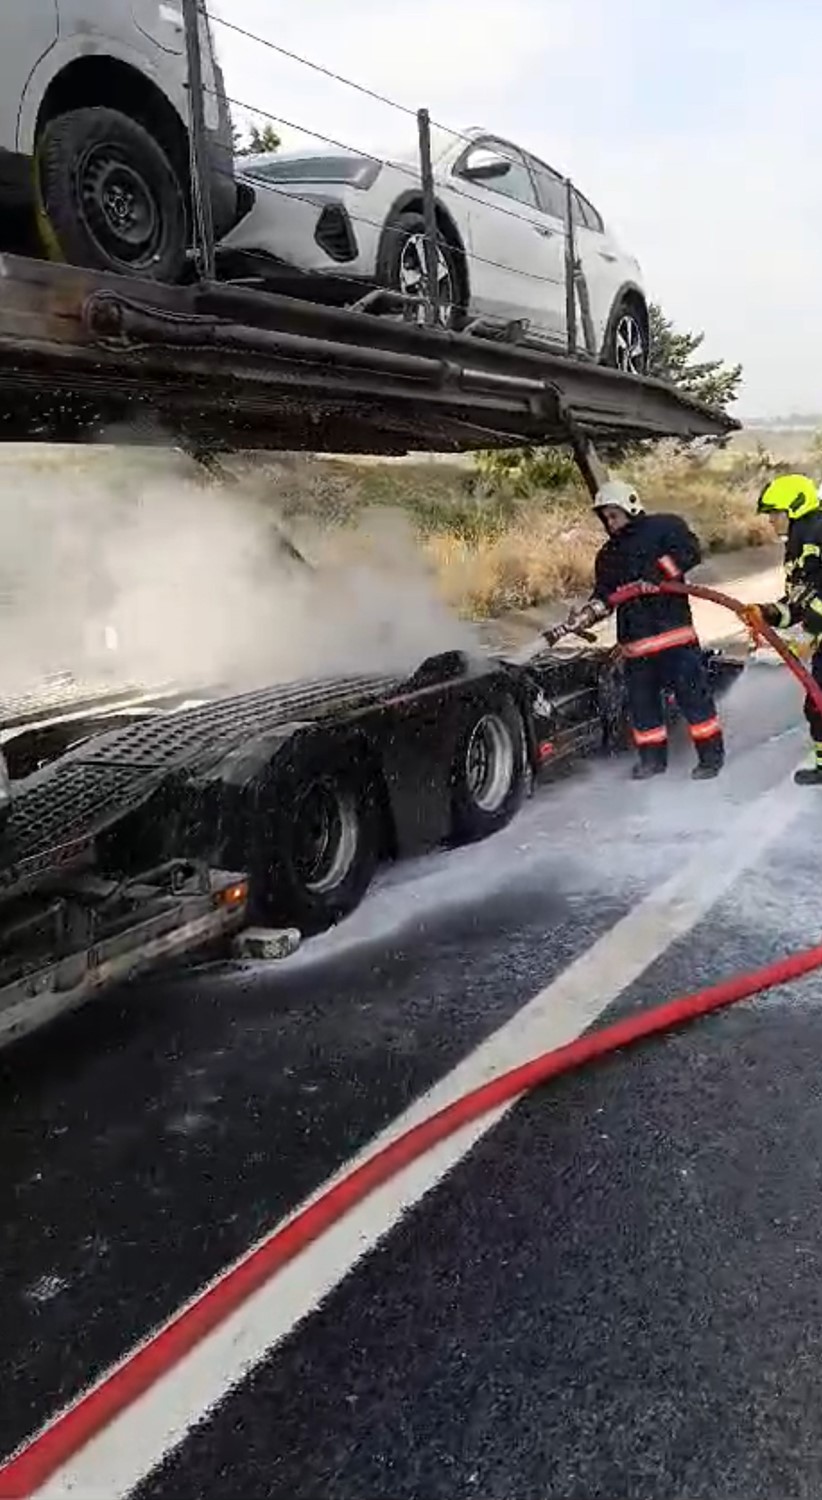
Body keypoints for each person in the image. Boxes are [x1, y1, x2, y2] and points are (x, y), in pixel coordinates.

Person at [545, 479, 724, 781]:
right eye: (605, 518)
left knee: (693, 699)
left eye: (613, 515)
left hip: (674, 639)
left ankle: (710, 758)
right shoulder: (608, 555)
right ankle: (652, 761)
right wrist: (588, 613)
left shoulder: (664, 527)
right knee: (642, 708)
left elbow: (690, 551)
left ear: (630, 506)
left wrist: (658, 573)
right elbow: (606, 595)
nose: (609, 523)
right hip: (636, 646)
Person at [744, 473, 822, 785]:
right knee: (816, 705)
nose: (771, 521)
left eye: (775, 513)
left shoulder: (818, 535)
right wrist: (768, 613)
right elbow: (799, 604)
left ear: (795, 508)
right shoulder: (799, 546)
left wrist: (807, 631)